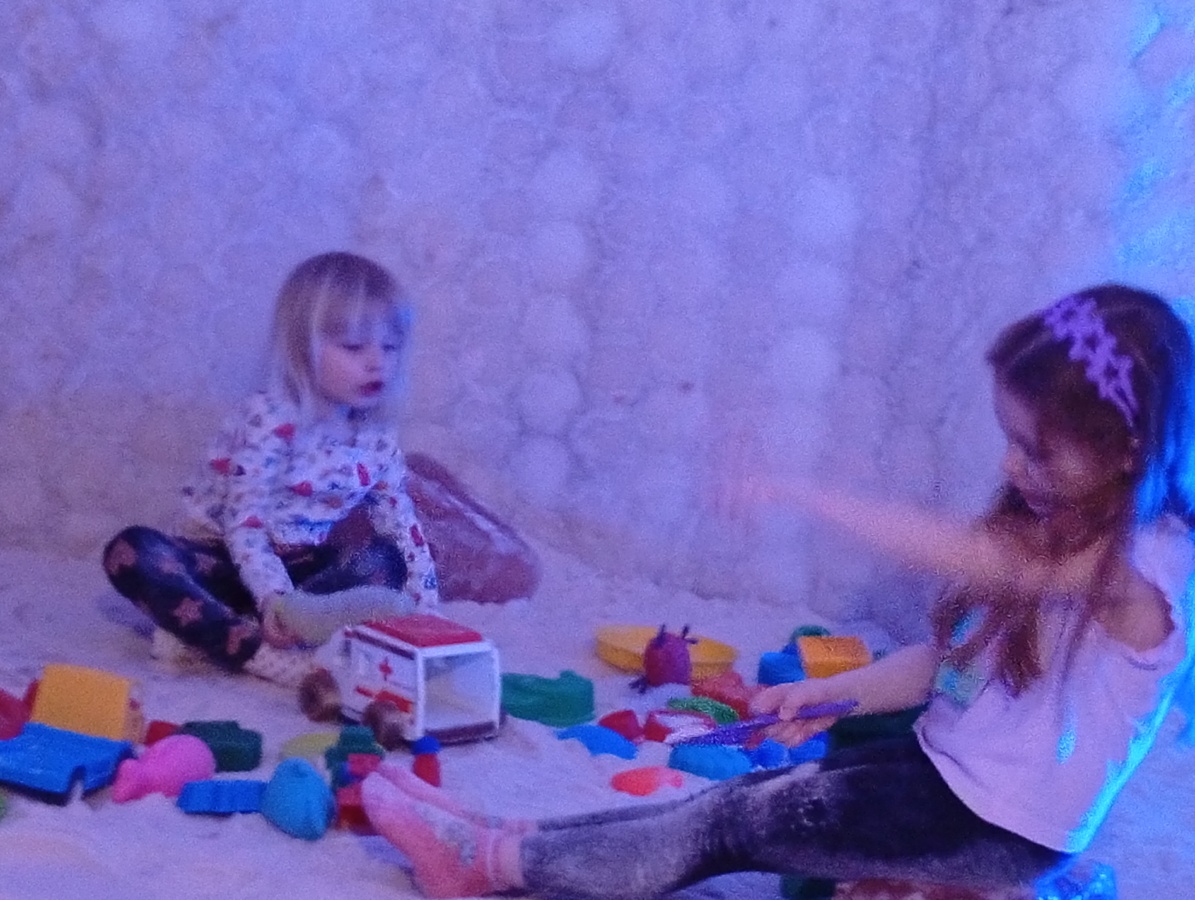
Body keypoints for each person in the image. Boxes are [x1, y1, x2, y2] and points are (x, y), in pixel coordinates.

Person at [357, 284, 1195, 898]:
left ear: (1128, 450)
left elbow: (972, 557)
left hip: (997, 829)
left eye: (1037, 451)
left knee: (727, 828)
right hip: (943, 779)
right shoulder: (1058, 530)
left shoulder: (1142, 569)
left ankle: (488, 866)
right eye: (1009, 440)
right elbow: (949, 664)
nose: (1012, 465)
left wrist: (804, 492)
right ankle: (506, 837)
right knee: (734, 799)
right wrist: (833, 691)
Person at [103, 251, 440, 686]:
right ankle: (261, 653)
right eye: (355, 347)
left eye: (390, 347)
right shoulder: (270, 419)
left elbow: (401, 522)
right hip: (222, 560)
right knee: (132, 551)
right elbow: (245, 526)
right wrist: (273, 599)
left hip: (302, 573)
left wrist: (426, 616)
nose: (377, 361)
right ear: (304, 348)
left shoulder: (377, 434)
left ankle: (219, 631)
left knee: (383, 560)